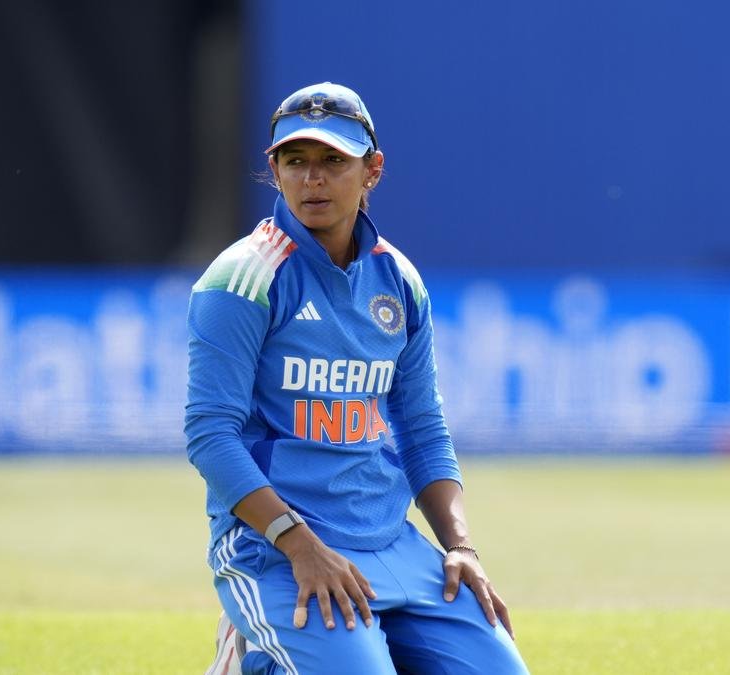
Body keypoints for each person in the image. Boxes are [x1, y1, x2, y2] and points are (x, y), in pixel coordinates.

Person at [185, 81, 529, 674]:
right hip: (278, 546)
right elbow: (210, 435)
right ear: (275, 170)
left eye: (333, 161)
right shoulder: (242, 278)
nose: (312, 179)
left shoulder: (398, 280)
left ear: (372, 170)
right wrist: (299, 545)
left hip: (390, 541)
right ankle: (253, 648)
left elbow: (422, 429)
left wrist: (461, 547)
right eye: (296, 161)